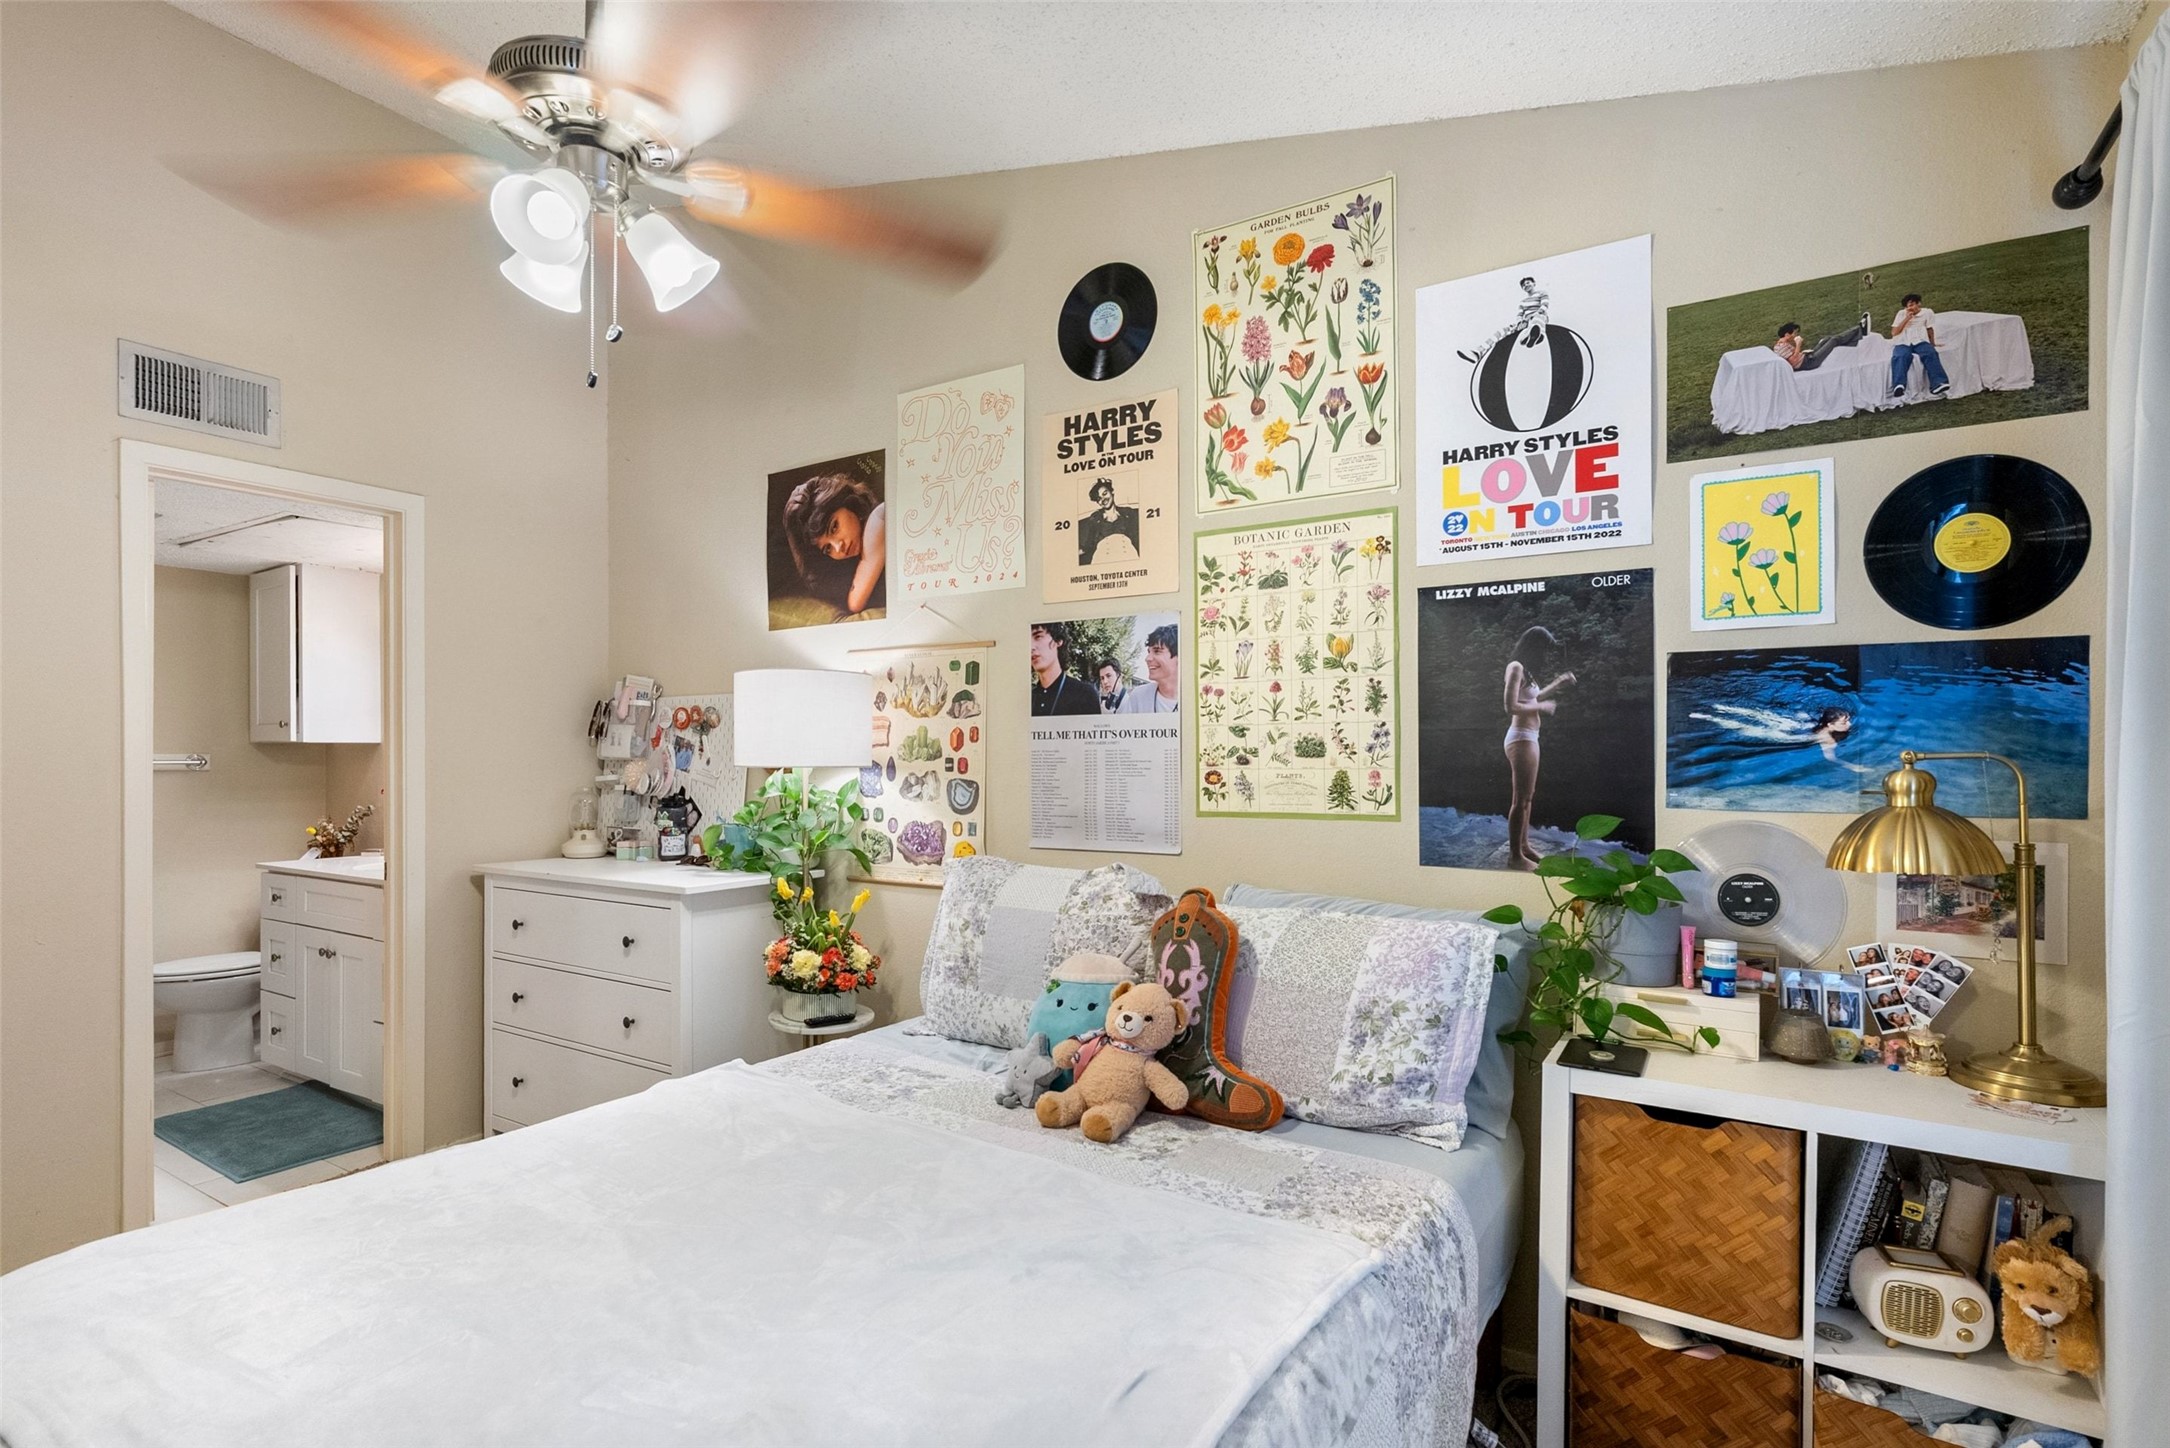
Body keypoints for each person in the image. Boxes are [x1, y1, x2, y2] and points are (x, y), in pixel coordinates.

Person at [1501, 625, 1575, 870]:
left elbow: (1532, 697)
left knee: (1527, 797)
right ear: (1534, 646)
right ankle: (1514, 857)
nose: (1546, 654)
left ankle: (1524, 846)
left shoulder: (1526, 670)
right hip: (1520, 737)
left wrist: (1557, 684)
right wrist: (1540, 709)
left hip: (1530, 736)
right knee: (1520, 799)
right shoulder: (1515, 667)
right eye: (1544, 648)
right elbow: (1510, 707)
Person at [781, 472, 886, 617]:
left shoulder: (879, 518)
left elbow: (855, 603)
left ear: (850, 503)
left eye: (834, 527)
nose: (838, 547)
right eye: (827, 548)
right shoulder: (848, 569)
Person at [1459, 275, 1549, 363]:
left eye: (1528, 283)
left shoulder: (1542, 293)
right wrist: (1519, 322)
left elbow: (1544, 305)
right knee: (1502, 331)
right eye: (1523, 285)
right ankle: (1478, 352)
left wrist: (1534, 315)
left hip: (1537, 317)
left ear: (1534, 283)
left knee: (1537, 319)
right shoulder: (1523, 302)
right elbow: (1520, 314)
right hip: (1525, 321)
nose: (1526, 285)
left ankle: (1535, 335)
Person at [1888, 292, 1952, 400]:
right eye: (1908, 306)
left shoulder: (1927, 312)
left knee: (1930, 353)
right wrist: (1907, 318)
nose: (1910, 308)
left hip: (1920, 339)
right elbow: (1894, 332)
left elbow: (1929, 329)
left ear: (1919, 304)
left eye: (1912, 305)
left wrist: (1932, 343)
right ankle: (1899, 385)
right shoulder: (1901, 314)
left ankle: (1938, 383)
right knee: (1901, 356)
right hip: (1903, 340)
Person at [1029, 622, 1101, 716]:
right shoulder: (1027, 699)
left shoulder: (1085, 694)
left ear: (1058, 640)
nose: (1031, 647)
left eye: (1038, 636)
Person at [1075, 478, 1141, 567]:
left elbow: (1139, 536)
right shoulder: (1095, 518)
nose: (1103, 499)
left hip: (1127, 555)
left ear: (1112, 492)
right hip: (1102, 558)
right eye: (1099, 498)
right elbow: (1088, 545)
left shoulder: (1128, 513)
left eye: (1105, 493)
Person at [1116, 624, 1180, 713]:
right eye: (1149, 652)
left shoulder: (1197, 698)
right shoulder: (1138, 697)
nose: (1147, 659)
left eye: (1157, 651)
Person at [1772, 319, 1866, 373]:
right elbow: (1793, 361)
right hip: (1809, 363)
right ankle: (1859, 329)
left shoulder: (1782, 344)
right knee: (1833, 340)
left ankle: (1855, 337)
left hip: (1807, 357)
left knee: (1827, 339)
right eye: (1794, 333)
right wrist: (1798, 344)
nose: (1796, 335)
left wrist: (1803, 352)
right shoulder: (1781, 347)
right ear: (1787, 335)